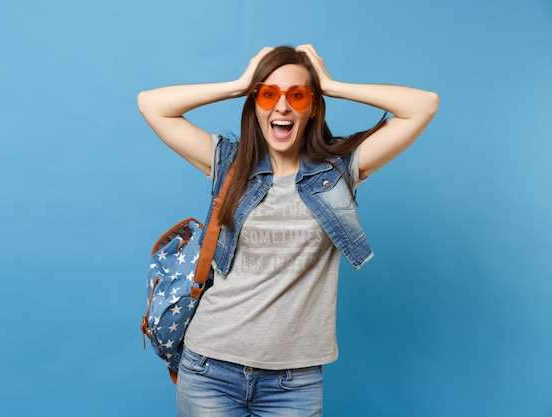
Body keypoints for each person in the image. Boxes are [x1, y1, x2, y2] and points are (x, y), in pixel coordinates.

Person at [138, 44, 439, 417]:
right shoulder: (227, 162)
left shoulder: (338, 172)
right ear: (256, 105)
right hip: (210, 367)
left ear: (312, 107)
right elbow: (151, 104)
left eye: (296, 95)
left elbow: (423, 105)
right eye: (269, 94)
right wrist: (239, 84)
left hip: (292, 383)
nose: (282, 106)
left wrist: (330, 83)